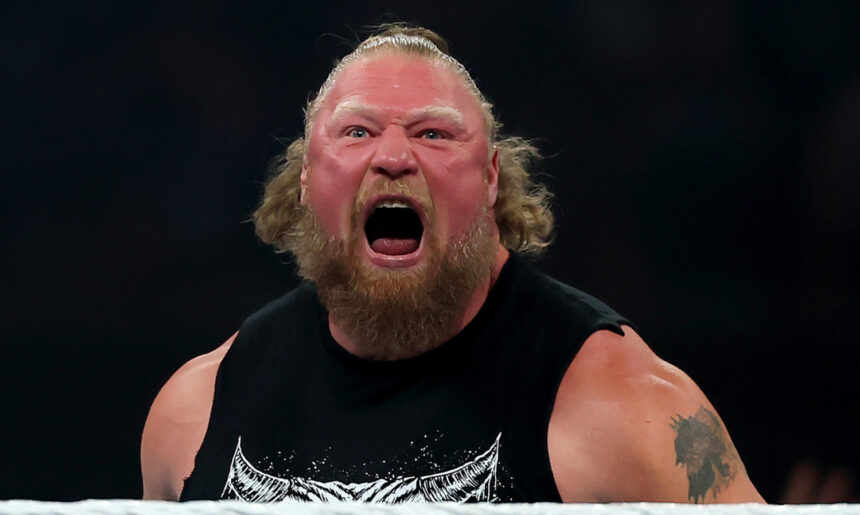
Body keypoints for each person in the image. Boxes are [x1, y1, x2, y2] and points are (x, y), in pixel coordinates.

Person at [141, 24, 765, 504]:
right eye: (357, 132)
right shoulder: (197, 408)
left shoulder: (620, 405)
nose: (393, 157)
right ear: (306, 176)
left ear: (491, 177)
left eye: (433, 134)